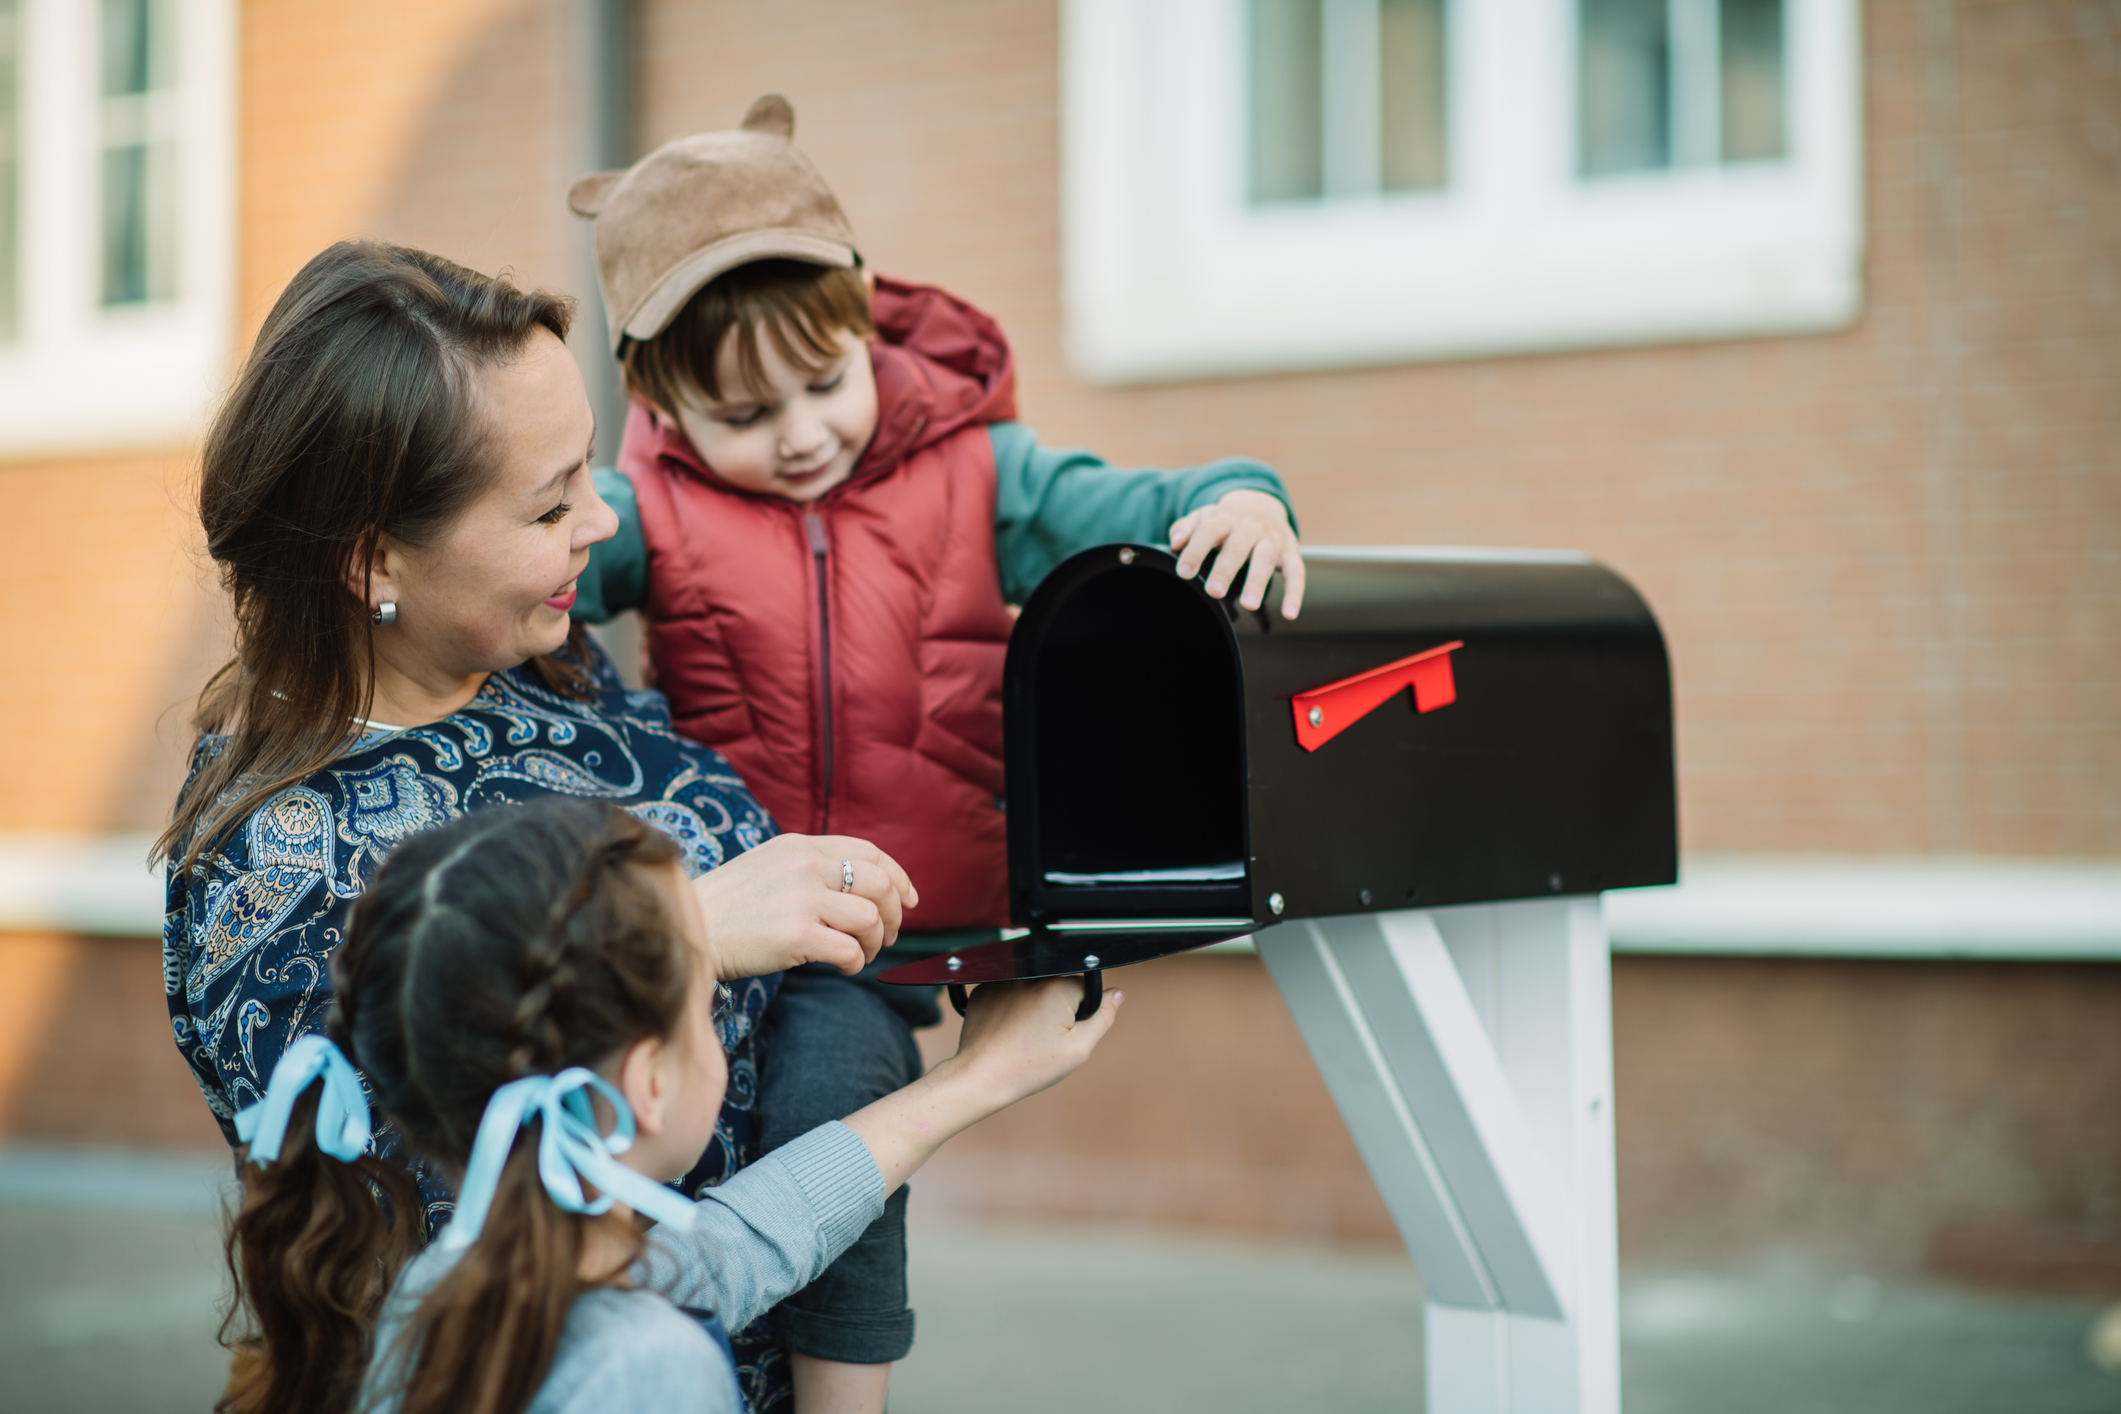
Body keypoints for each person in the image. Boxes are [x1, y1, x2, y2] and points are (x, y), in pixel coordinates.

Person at [565, 94, 1306, 1409]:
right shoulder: (656, 511)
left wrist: (1241, 494)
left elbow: (1151, 504)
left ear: (865, 315)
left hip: (933, 922)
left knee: (826, 1110)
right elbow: (540, 564)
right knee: (767, 1126)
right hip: (773, 926)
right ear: (661, 400)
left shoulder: (979, 468)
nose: (798, 432)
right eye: (744, 412)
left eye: (823, 382)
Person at [159, 240, 918, 1404]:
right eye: (550, 501)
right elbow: (465, 1256)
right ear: (374, 562)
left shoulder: (535, 655)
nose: (602, 522)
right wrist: (677, 931)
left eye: (589, 471)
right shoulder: (275, 874)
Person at [218, 796, 1118, 1414]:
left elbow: (739, 1246)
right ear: (647, 1084)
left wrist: (973, 1080)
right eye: (706, 996)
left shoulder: (435, 1294)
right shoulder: (647, 1367)